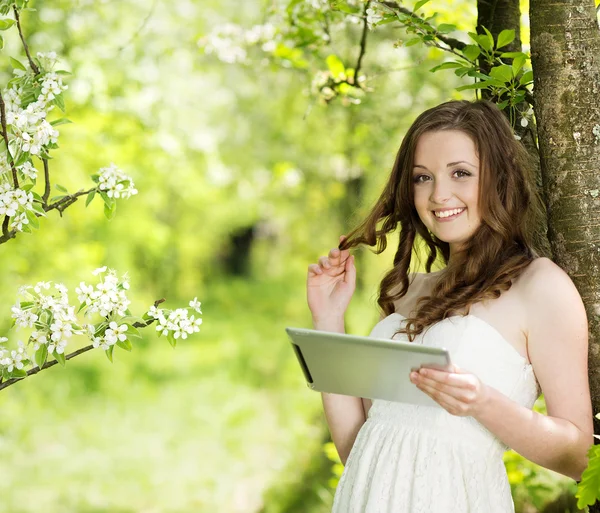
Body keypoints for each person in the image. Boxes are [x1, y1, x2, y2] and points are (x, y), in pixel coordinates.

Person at [306, 100, 594, 512]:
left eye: (460, 173)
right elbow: (361, 450)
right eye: (423, 178)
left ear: (499, 179)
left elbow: (580, 458)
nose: (439, 195)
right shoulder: (410, 293)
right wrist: (328, 319)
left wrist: (482, 402)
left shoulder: (540, 286)